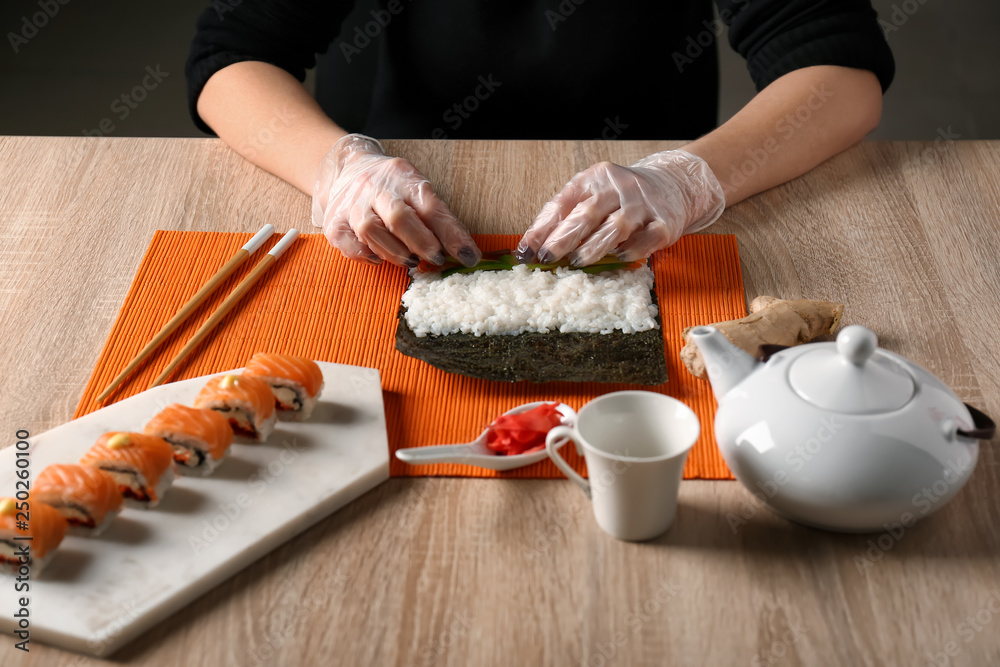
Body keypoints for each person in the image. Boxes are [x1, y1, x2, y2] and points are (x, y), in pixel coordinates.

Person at [186, 0, 893, 268]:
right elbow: (230, 58)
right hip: (400, 188)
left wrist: (687, 179)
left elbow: (840, 72)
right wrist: (337, 168)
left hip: (649, 202)